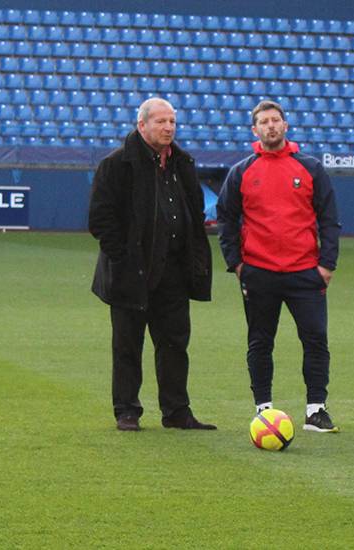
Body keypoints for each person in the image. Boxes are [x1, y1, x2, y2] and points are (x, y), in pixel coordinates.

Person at [89, 97, 216, 432]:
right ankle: (127, 411)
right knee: (128, 344)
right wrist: (124, 259)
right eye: (161, 121)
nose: (168, 128)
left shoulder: (183, 163)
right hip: (131, 273)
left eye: (172, 121)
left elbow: (196, 212)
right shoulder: (117, 165)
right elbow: (101, 220)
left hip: (173, 272)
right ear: (141, 125)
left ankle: (177, 411)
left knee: (175, 344)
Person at [217, 100, 341, 432]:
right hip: (259, 272)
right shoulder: (242, 171)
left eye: (276, 120)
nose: (271, 126)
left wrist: (326, 264)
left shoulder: (310, 167)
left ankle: (316, 409)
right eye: (264, 122)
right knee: (260, 341)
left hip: (305, 271)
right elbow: (226, 219)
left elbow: (330, 219)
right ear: (254, 130)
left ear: (285, 126)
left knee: (315, 339)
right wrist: (237, 264)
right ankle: (264, 408)